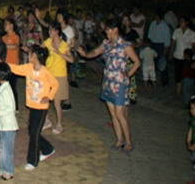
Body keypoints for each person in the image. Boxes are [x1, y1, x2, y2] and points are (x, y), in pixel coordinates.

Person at [78, 18, 141, 154]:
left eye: (108, 29)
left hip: (120, 83)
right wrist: (85, 54)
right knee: (113, 114)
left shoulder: (125, 45)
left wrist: (128, 75)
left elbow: (137, 62)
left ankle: (128, 142)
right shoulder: (106, 44)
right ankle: (119, 140)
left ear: (115, 30)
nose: (106, 31)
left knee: (120, 114)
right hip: (108, 82)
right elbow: (95, 52)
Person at [8, 45, 59, 171]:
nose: (28, 56)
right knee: (32, 131)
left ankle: (33, 161)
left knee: (34, 133)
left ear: (35, 56)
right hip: (32, 105)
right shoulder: (28, 68)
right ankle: (47, 149)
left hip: (41, 107)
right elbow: (16, 68)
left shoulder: (45, 72)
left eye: (30, 54)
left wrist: (49, 97)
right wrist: (3, 63)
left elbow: (55, 84)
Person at [42, 23, 73, 135]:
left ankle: (59, 125)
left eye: (51, 30)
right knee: (45, 98)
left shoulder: (64, 45)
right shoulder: (48, 41)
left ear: (57, 31)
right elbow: (39, 47)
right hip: (48, 74)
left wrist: (59, 53)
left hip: (59, 75)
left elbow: (71, 59)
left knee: (57, 102)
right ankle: (46, 120)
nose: (49, 32)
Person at [0, 63, 18, 181]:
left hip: (8, 124)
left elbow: (11, 107)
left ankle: (8, 171)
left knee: (7, 149)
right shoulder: (4, 88)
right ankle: (2, 169)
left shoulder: (6, 89)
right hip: (4, 124)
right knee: (3, 148)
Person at [171, 17, 195, 96]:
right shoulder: (176, 31)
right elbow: (173, 43)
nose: (180, 23)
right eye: (180, 21)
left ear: (186, 23)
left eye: (182, 21)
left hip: (187, 58)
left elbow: (193, 47)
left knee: (186, 75)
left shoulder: (192, 33)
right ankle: (178, 92)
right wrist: (171, 53)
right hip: (177, 56)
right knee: (178, 75)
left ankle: (186, 91)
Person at [148, 8, 172, 87]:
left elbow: (167, 38)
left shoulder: (165, 26)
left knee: (163, 64)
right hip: (153, 44)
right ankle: (151, 80)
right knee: (151, 63)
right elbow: (150, 35)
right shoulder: (153, 23)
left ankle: (165, 82)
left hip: (161, 46)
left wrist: (165, 49)